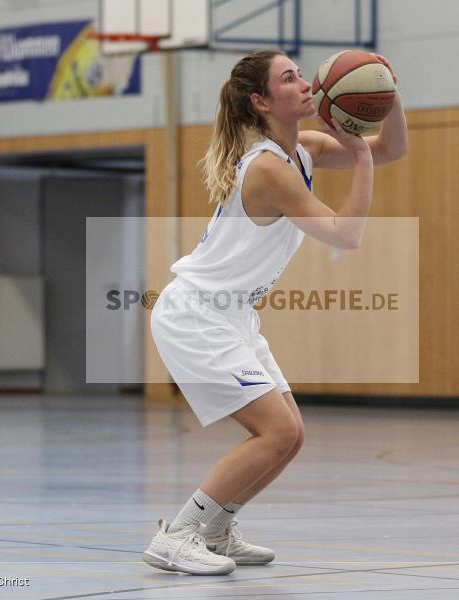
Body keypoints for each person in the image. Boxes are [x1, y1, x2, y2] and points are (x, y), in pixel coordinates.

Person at [142, 50, 408, 575]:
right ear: (262, 102)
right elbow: (347, 235)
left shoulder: (301, 149)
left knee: (292, 435)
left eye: (301, 73)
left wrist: (388, 92)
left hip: (233, 316)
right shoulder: (267, 169)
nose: (306, 84)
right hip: (197, 314)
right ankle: (180, 535)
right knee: (277, 434)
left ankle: (216, 529)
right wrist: (357, 156)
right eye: (289, 78)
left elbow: (392, 149)